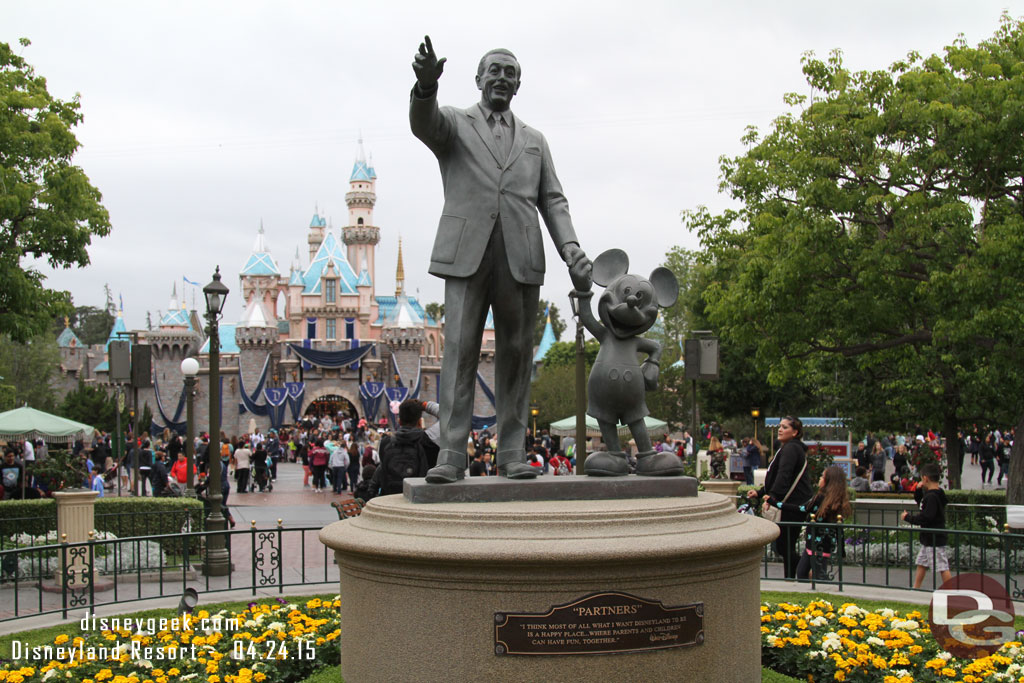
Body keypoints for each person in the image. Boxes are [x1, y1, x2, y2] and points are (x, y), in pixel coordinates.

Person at [410, 37, 591, 484]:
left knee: (515, 353)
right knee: (459, 352)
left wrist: (571, 248)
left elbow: (553, 200)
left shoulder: (534, 140)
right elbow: (424, 124)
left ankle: (511, 452)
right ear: (477, 79)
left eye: (510, 73)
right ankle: (451, 453)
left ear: (519, 84)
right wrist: (426, 87)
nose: (502, 79)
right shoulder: (454, 122)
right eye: (494, 71)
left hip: (521, 256)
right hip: (466, 255)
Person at [747, 416, 813, 579]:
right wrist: (761, 492)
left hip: (791, 505)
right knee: (784, 546)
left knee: (784, 545)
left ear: (795, 432)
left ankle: (800, 575)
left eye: (785, 427)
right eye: (780, 426)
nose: (780, 429)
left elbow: (784, 475)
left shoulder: (791, 448)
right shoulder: (790, 447)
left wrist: (772, 497)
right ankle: (801, 574)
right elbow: (778, 476)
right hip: (793, 504)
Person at [766, 465, 850, 580]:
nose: (820, 479)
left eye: (822, 477)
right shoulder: (835, 500)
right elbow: (839, 528)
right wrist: (841, 548)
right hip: (821, 543)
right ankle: (815, 593)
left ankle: (823, 594)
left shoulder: (821, 499)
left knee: (816, 574)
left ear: (828, 481)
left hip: (817, 544)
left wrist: (774, 503)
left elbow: (801, 509)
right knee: (805, 572)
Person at [371, 399, 441, 496]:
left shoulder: (385, 443)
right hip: (420, 497)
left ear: (399, 421)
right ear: (420, 422)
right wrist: (424, 405)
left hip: (390, 498)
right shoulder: (429, 440)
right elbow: (452, 417)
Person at [902, 462, 952, 589]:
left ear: (925, 478)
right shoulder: (937, 493)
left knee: (942, 566)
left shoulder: (932, 497)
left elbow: (926, 516)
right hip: (929, 537)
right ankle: (916, 588)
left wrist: (909, 518)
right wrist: (918, 489)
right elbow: (921, 502)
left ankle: (952, 592)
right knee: (921, 563)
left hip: (934, 537)